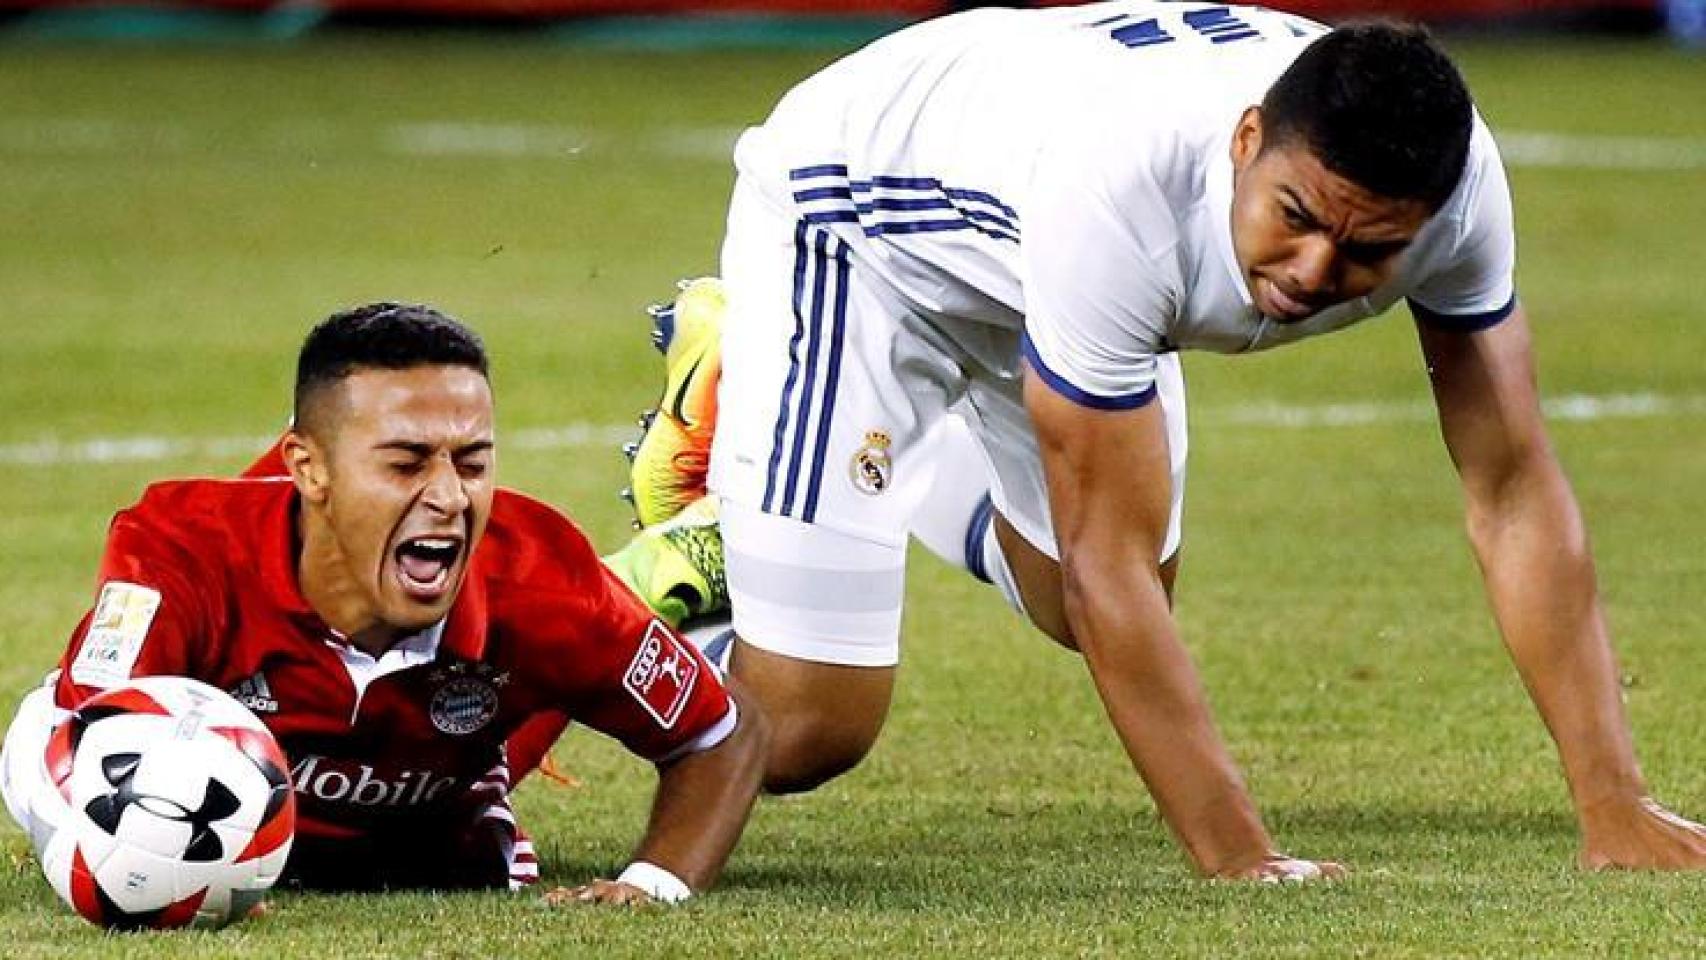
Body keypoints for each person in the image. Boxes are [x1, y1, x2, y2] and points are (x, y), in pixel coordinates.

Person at [605, 2, 1706, 880]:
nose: (1313, 274)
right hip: (857, 220)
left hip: (1029, 222)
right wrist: (1241, 859)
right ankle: (716, 455)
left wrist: (1613, 805)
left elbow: (1512, 488)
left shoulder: (1458, 195)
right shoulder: (1124, 189)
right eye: (1294, 216)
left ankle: (824, 468)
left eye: (1368, 252)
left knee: (1080, 605)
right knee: (803, 731)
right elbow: (1109, 572)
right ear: (1244, 140)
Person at [1, 302, 766, 903]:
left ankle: (653, 579)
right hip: (185, 707)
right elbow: (86, 756)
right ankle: (645, 579)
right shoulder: (179, 554)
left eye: (474, 463)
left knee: (802, 732)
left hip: (450, 765)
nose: (449, 496)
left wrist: (655, 883)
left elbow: (723, 734)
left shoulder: (539, 582)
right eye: (407, 463)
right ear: (306, 468)